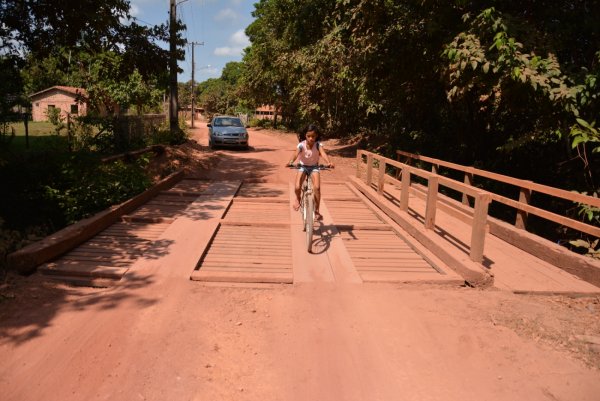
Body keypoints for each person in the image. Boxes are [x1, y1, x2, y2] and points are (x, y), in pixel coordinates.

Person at [288, 124, 334, 220]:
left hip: (314, 167)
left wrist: (329, 162)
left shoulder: (318, 145)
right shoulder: (301, 145)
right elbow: (295, 154)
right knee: (297, 186)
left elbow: (323, 153)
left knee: (317, 188)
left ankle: (317, 210)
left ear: (316, 136)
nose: (311, 138)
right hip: (303, 167)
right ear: (305, 135)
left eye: (313, 136)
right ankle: (298, 198)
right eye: (308, 136)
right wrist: (291, 162)